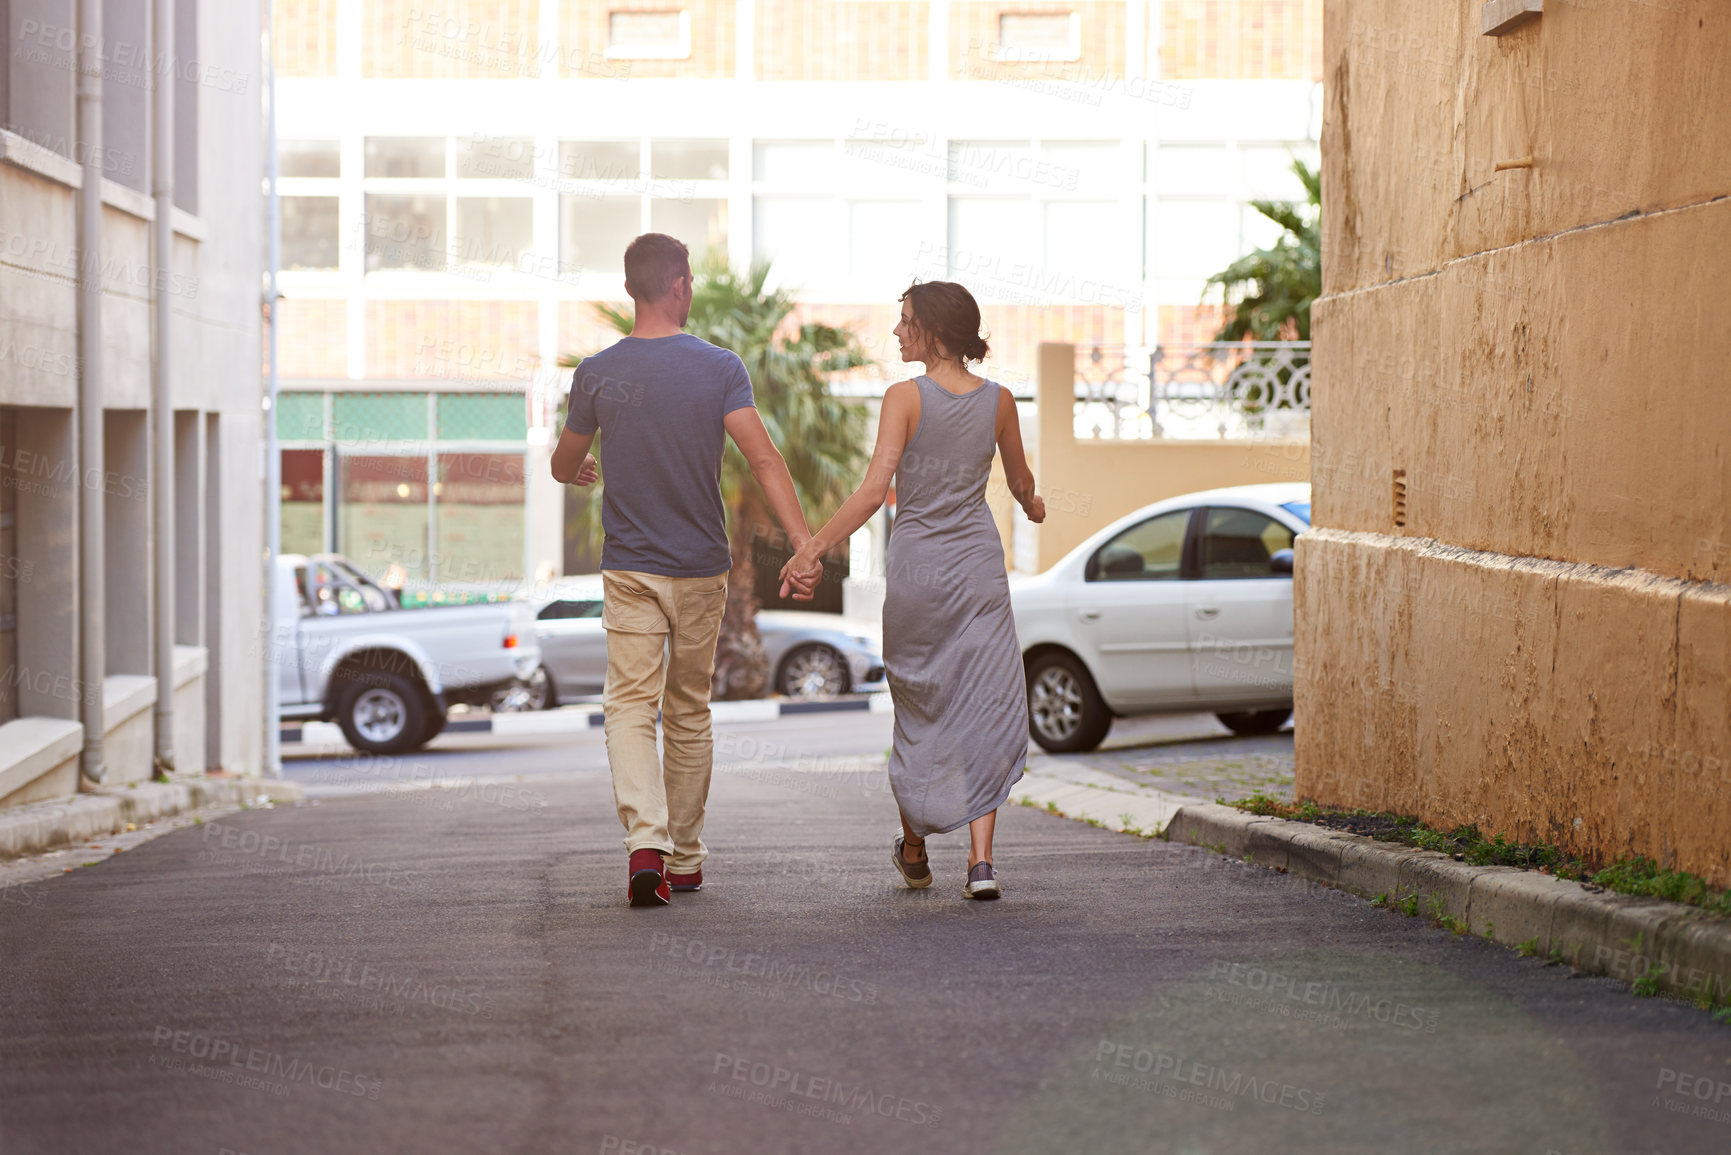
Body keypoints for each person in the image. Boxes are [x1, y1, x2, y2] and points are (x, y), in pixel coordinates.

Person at [551, 233, 821, 908]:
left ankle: (647, 840)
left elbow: (563, 462)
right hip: (702, 568)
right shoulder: (719, 367)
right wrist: (802, 543)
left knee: (628, 705)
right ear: (679, 286)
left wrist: (577, 469)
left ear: (629, 289)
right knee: (688, 709)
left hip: (631, 568)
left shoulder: (597, 372)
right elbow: (762, 458)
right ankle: (687, 857)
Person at [780, 280, 1043, 899]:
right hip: (978, 570)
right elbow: (1022, 481)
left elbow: (875, 491)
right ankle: (981, 865)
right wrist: (1033, 506)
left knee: (920, 703)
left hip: (919, 571)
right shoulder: (1000, 400)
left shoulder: (903, 398)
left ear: (933, 329)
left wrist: (811, 548)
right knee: (983, 703)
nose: (897, 332)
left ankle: (916, 849)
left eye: (905, 322)